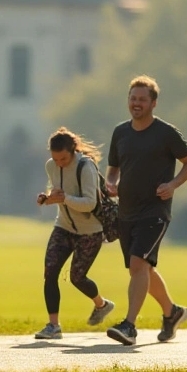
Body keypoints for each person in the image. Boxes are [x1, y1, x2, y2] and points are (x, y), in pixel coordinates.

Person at [104, 76, 187, 346]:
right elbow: (113, 166)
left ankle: (129, 326)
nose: (136, 103)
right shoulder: (120, 132)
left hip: (155, 211)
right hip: (126, 211)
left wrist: (173, 184)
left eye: (142, 99)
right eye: (133, 98)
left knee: (138, 265)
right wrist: (111, 182)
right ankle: (172, 312)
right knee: (142, 268)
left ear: (153, 103)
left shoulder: (166, 133)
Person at [33, 128, 116, 340]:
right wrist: (48, 198)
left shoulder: (85, 166)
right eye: (55, 158)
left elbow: (90, 203)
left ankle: (102, 304)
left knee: (77, 278)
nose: (59, 163)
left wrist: (64, 198)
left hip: (90, 231)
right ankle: (53, 326)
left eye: (63, 158)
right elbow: (58, 190)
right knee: (50, 272)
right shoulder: (51, 166)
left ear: (72, 150)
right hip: (63, 226)